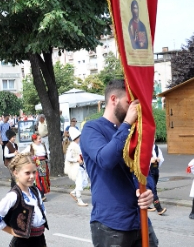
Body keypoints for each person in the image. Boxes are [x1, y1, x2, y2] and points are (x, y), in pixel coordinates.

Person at [81, 79, 158, 246]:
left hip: (140, 220)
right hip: (111, 225)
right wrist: (127, 124)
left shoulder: (132, 131)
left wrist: (149, 190)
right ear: (113, 99)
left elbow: (144, 170)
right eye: (129, 103)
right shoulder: (92, 128)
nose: (134, 108)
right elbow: (106, 160)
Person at [0, 153, 48, 246]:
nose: (32, 176)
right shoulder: (14, 195)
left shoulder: (35, 191)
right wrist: (13, 232)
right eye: (27, 173)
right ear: (16, 172)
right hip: (23, 243)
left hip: (40, 240)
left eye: (34, 172)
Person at [64, 127, 89, 207]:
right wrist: (76, 160)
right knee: (79, 182)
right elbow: (68, 158)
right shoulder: (72, 146)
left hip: (81, 166)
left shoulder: (78, 145)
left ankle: (74, 192)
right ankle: (79, 199)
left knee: (85, 182)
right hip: (76, 167)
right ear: (76, 138)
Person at [22, 134, 50, 201]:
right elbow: (23, 153)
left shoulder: (43, 145)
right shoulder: (31, 146)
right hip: (35, 164)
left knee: (43, 179)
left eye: (40, 138)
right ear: (34, 140)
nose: (40, 140)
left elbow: (47, 153)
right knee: (36, 179)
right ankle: (40, 194)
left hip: (43, 163)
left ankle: (41, 193)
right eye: (39, 139)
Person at [148, 142, 167, 215]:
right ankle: (159, 208)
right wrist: (150, 161)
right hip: (148, 171)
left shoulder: (156, 147)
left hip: (155, 170)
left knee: (151, 188)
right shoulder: (145, 147)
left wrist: (159, 159)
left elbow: (161, 158)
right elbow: (141, 159)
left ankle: (144, 206)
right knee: (153, 189)